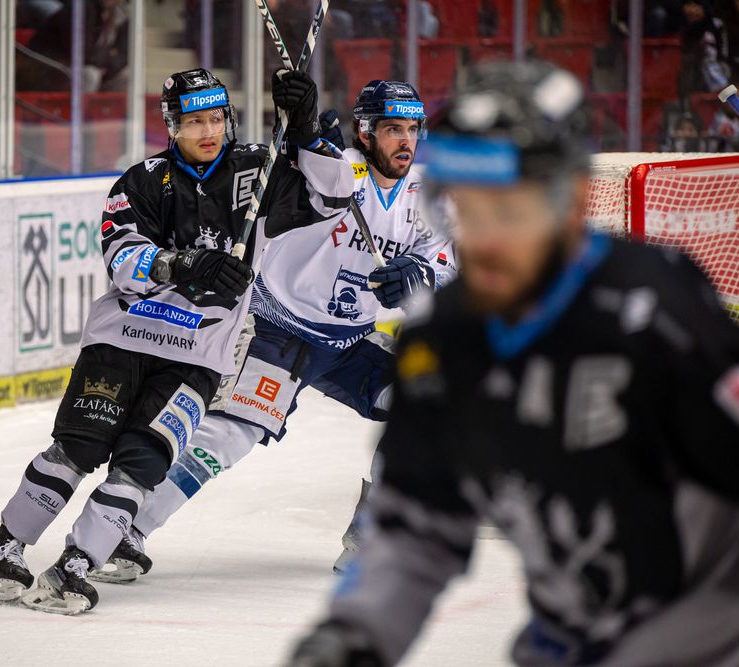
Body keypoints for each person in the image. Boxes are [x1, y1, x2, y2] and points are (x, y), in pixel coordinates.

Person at [288, 60, 739, 667]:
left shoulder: (659, 309)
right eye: (464, 208)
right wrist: (354, 635)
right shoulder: (443, 338)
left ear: (572, 199)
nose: (485, 241)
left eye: (509, 210)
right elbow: (416, 531)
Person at [0, 67, 347, 615]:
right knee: (78, 448)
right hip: (123, 339)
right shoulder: (142, 181)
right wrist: (186, 264)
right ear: (172, 126)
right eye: (194, 121)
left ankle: (75, 565)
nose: (208, 131)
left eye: (216, 118)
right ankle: (4, 551)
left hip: (198, 356)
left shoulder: (257, 170)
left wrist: (307, 130)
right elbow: (122, 258)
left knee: (142, 462)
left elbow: (334, 197)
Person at [90, 77, 457, 583]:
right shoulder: (338, 170)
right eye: (393, 129)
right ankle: (129, 529)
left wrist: (422, 275)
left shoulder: (428, 192)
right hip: (279, 328)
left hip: (351, 340)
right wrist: (306, 136)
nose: (406, 141)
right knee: (226, 436)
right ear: (365, 132)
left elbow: (448, 260)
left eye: (413, 130)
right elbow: (295, 173)